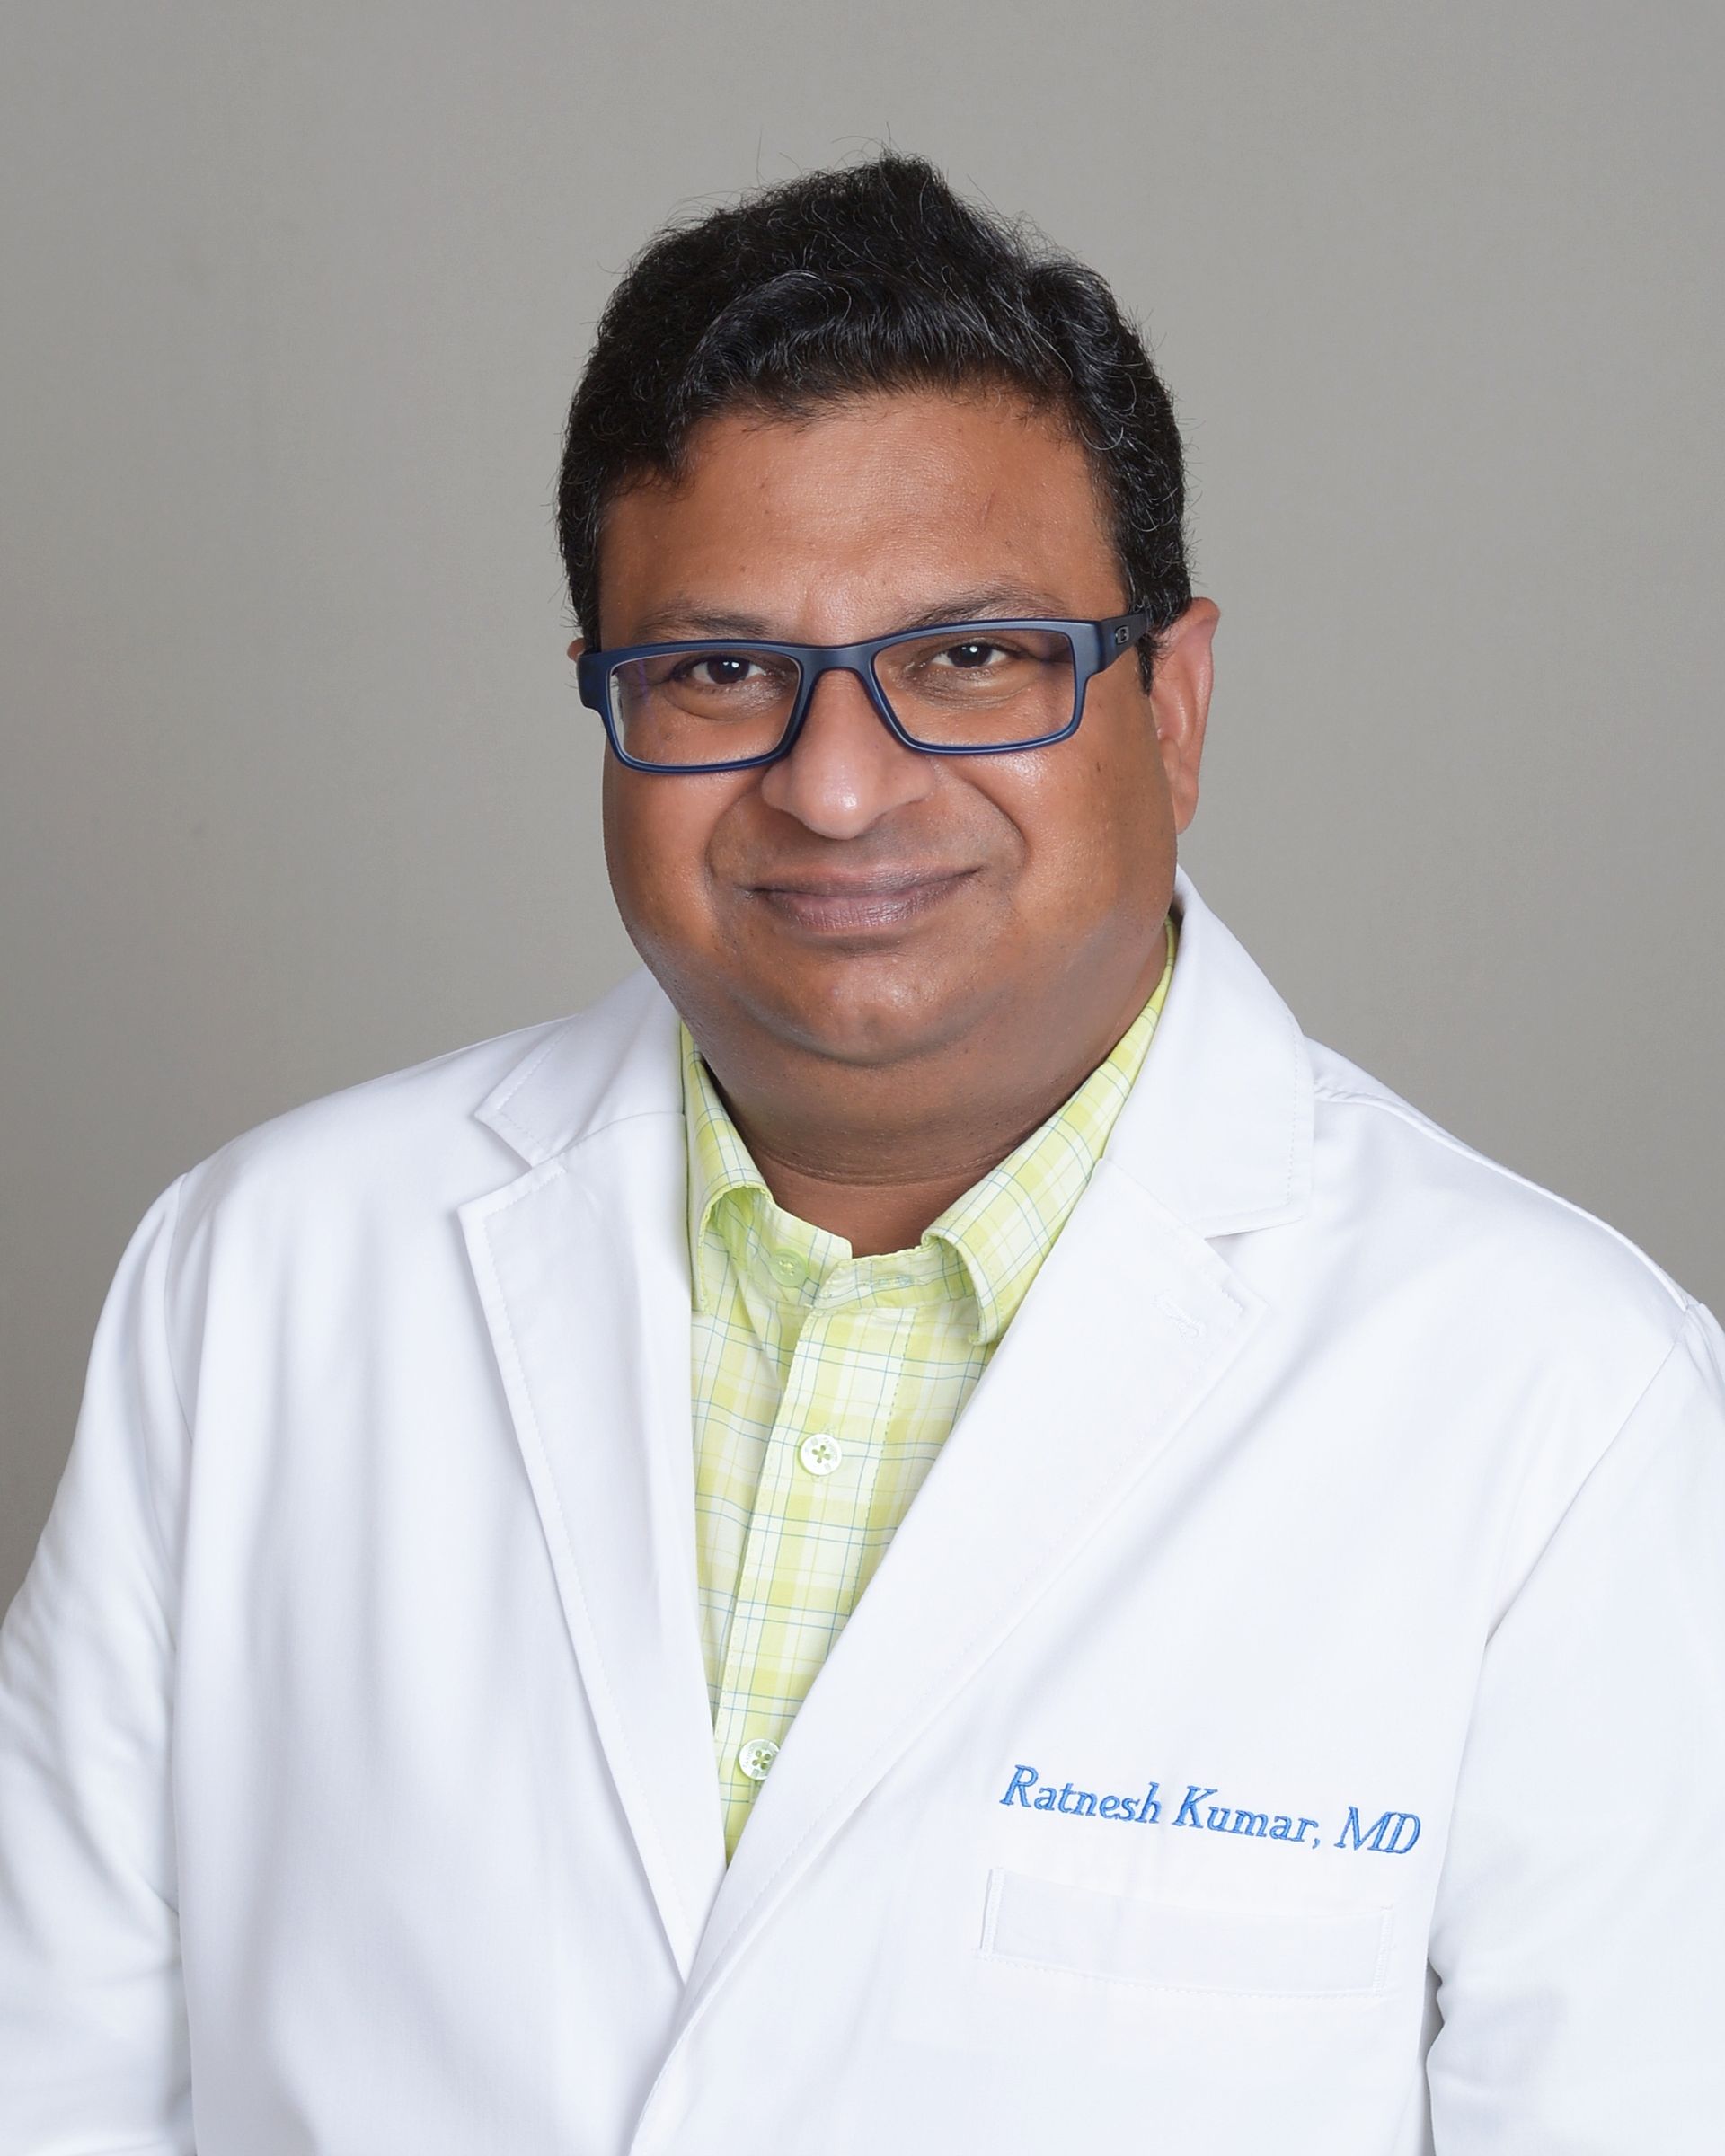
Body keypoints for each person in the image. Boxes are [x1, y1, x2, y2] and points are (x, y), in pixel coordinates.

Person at [1, 151, 1721, 2156]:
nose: (834, 787)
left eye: (968, 659)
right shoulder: (260, 1280)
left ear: (1169, 706)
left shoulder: (1567, 1408)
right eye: (718, 671)